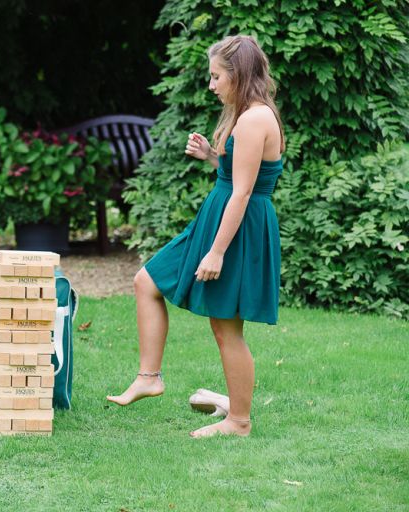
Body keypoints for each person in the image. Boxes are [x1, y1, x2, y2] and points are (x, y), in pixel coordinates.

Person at [106, 35, 284, 438]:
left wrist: (217, 252)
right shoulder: (249, 115)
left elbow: (243, 192)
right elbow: (239, 174)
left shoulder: (255, 118)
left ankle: (238, 421)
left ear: (237, 74)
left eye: (216, 76)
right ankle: (149, 377)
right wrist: (212, 156)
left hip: (234, 230)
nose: (211, 84)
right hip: (218, 218)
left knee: (226, 328)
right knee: (146, 280)